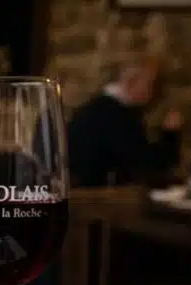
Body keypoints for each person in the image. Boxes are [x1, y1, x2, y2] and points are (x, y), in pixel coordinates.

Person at [66, 54, 182, 187]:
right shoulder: (114, 115)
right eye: (151, 84)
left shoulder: (99, 108)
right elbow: (145, 166)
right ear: (132, 81)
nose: (154, 92)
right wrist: (170, 135)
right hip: (96, 200)